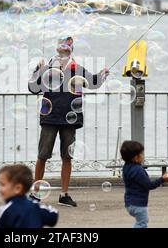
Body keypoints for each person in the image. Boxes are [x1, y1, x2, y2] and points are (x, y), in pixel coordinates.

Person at [28, 36, 109, 207]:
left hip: (70, 118)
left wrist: (102, 75)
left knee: (67, 156)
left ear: (71, 51)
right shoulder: (47, 68)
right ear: (57, 50)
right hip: (50, 117)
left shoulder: (77, 69)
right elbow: (33, 88)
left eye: (67, 48)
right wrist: (36, 70)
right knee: (42, 155)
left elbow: (93, 83)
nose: (63, 50)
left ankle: (64, 194)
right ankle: (36, 194)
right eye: (61, 47)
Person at [120, 140, 168, 228]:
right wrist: (162, 179)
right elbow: (149, 185)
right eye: (142, 154)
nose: (143, 156)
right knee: (142, 223)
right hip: (138, 204)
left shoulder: (126, 167)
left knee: (141, 222)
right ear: (136, 157)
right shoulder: (138, 170)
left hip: (129, 204)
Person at [0, 164, 59, 228]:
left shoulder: (6, 210)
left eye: (2, 185)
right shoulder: (36, 207)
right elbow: (53, 216)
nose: (0, 188)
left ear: (18, 188)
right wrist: (44, 205)